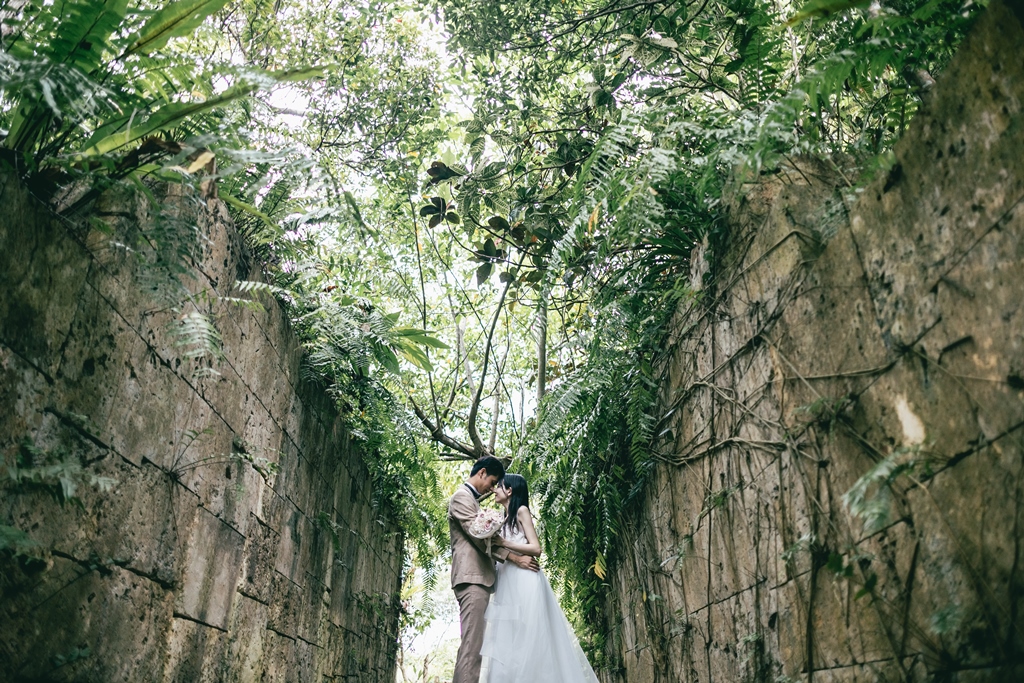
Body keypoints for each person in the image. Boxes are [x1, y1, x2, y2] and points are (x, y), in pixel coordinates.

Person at [479, 473, 601, 683]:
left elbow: (536, 548)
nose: (494, 490)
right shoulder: (502, 517)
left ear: (509, 491)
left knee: (529, 632)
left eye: (498, 486)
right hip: (507, 579)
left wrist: (503, 543)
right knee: (508, 635)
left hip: (525, 579)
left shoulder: (521, 511)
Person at [448, 457, 540, 683]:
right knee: (473, 648)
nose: (492, 488)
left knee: (473, 645)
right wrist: (514, 558)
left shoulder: (474, 500)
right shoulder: (462, 497)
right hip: (472, 579)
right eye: (492, 482)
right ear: (482, 473)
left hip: (480, 580)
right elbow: (478, 537)